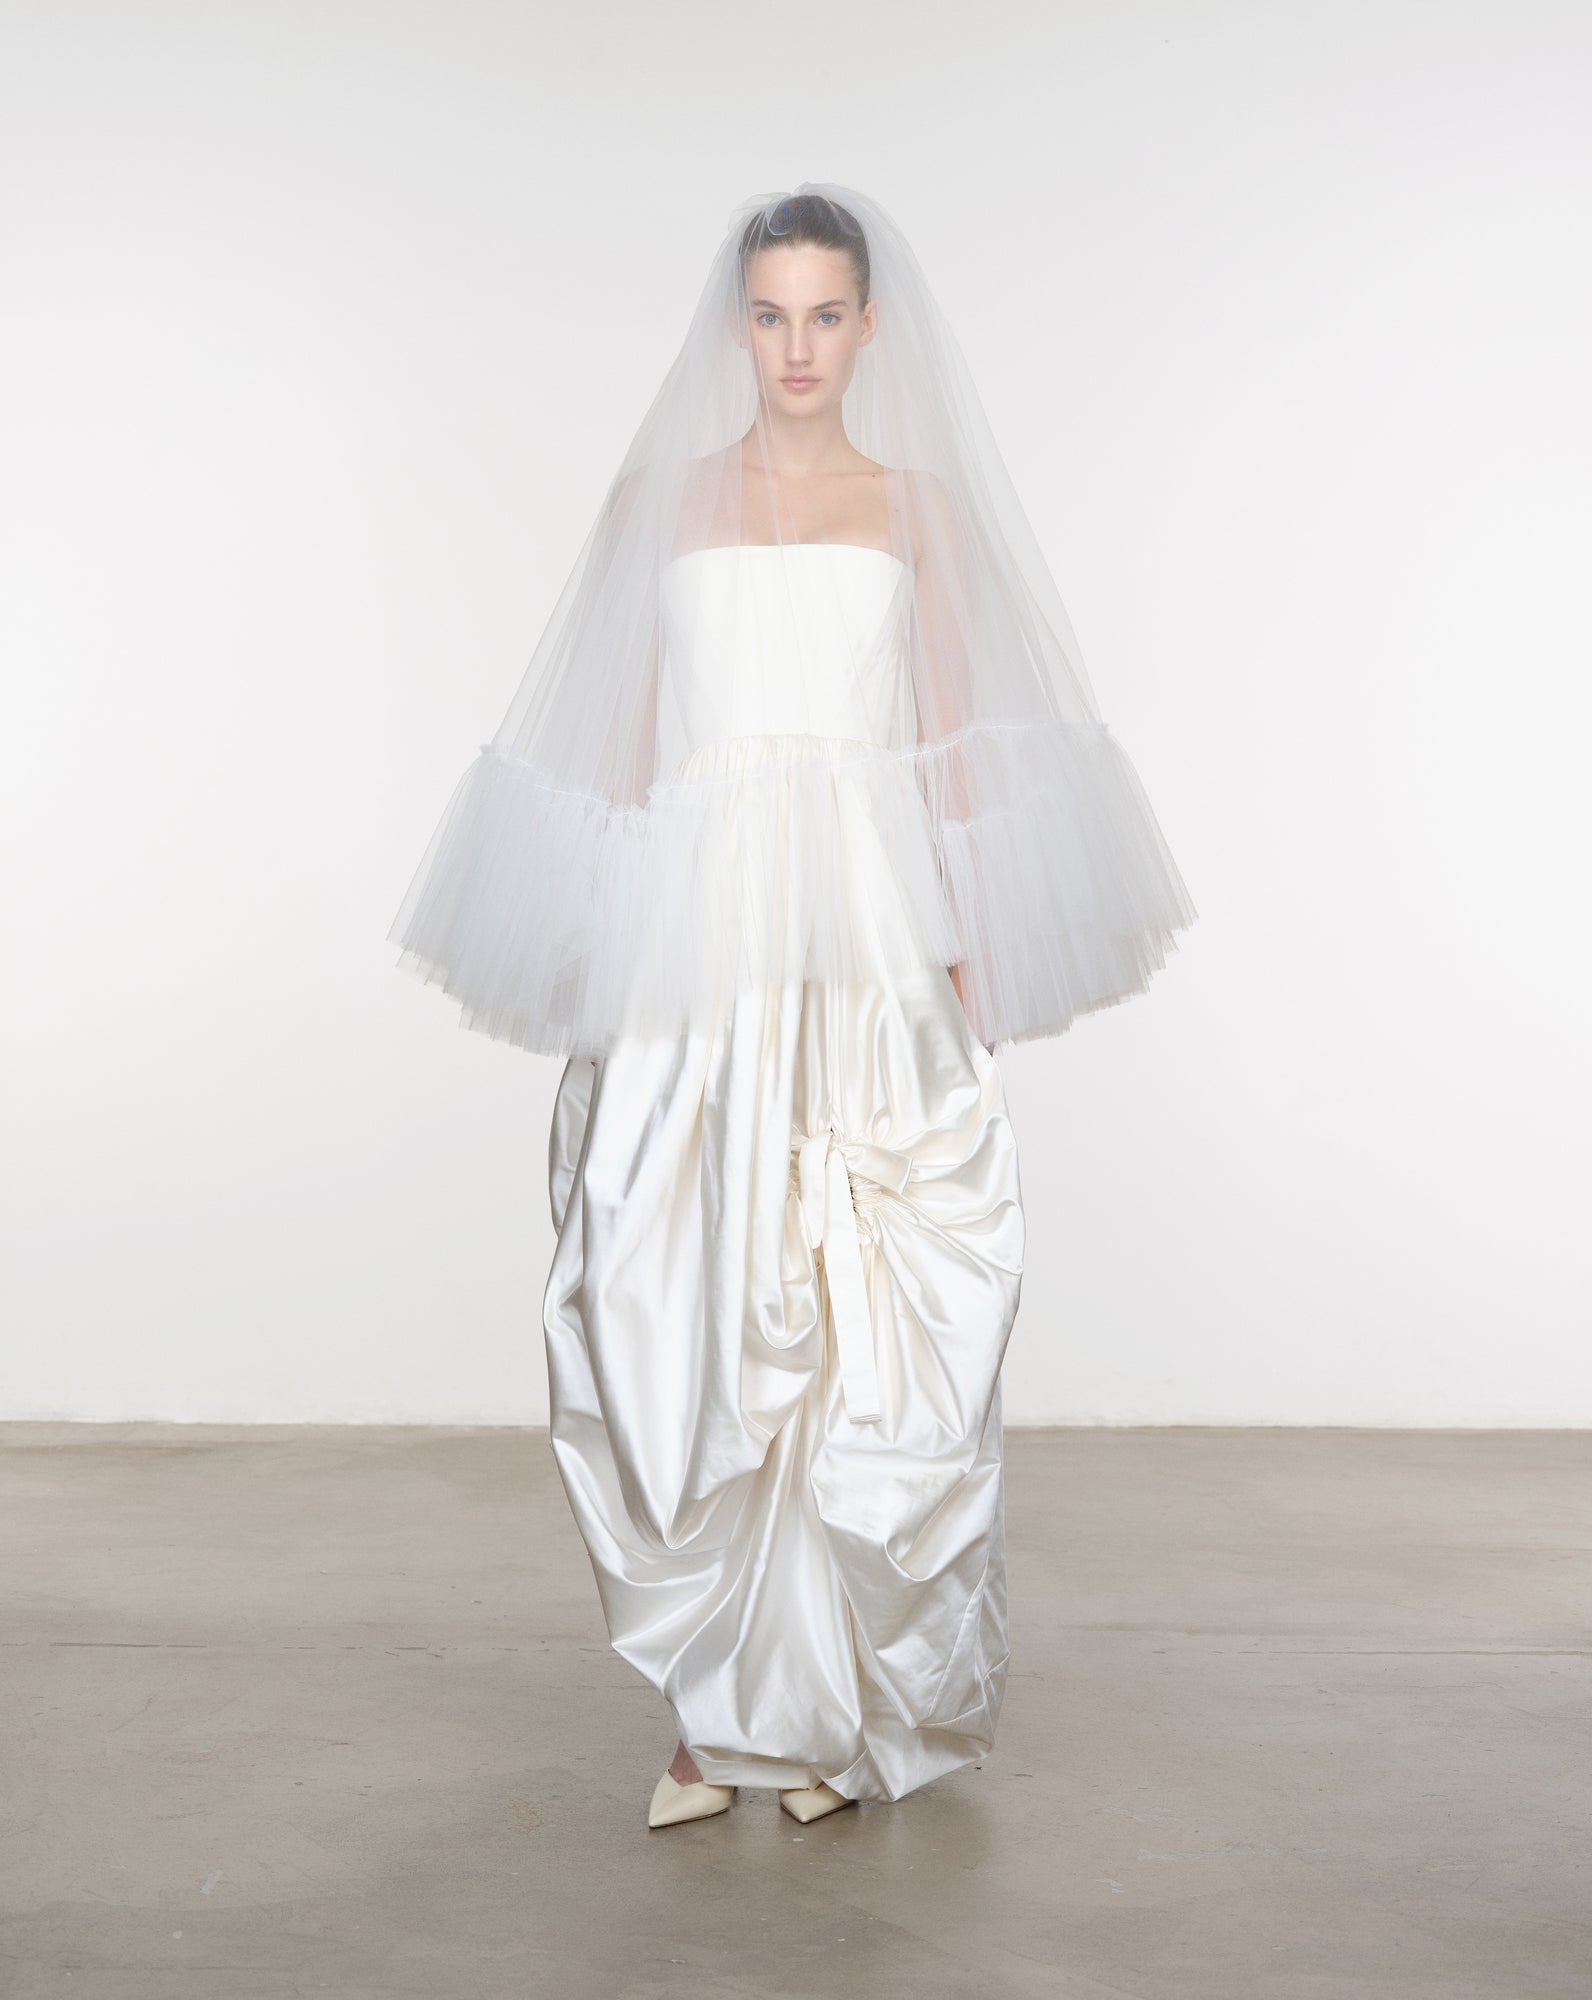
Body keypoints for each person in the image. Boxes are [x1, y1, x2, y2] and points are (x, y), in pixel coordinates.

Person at [388, 183, 1196, 1829]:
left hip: (865, 917)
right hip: (698, 924)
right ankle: (712, 1711)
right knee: (674, 1284)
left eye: (827, 313)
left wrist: (970, 950)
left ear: (870, 325)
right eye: (771, 314)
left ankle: (821, 1713)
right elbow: (616, 732)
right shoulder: (660, 498)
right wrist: (586, 936)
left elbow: (958, 734)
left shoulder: (918, 511)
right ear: (733, 324)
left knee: (857, 1301)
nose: (798, 345)